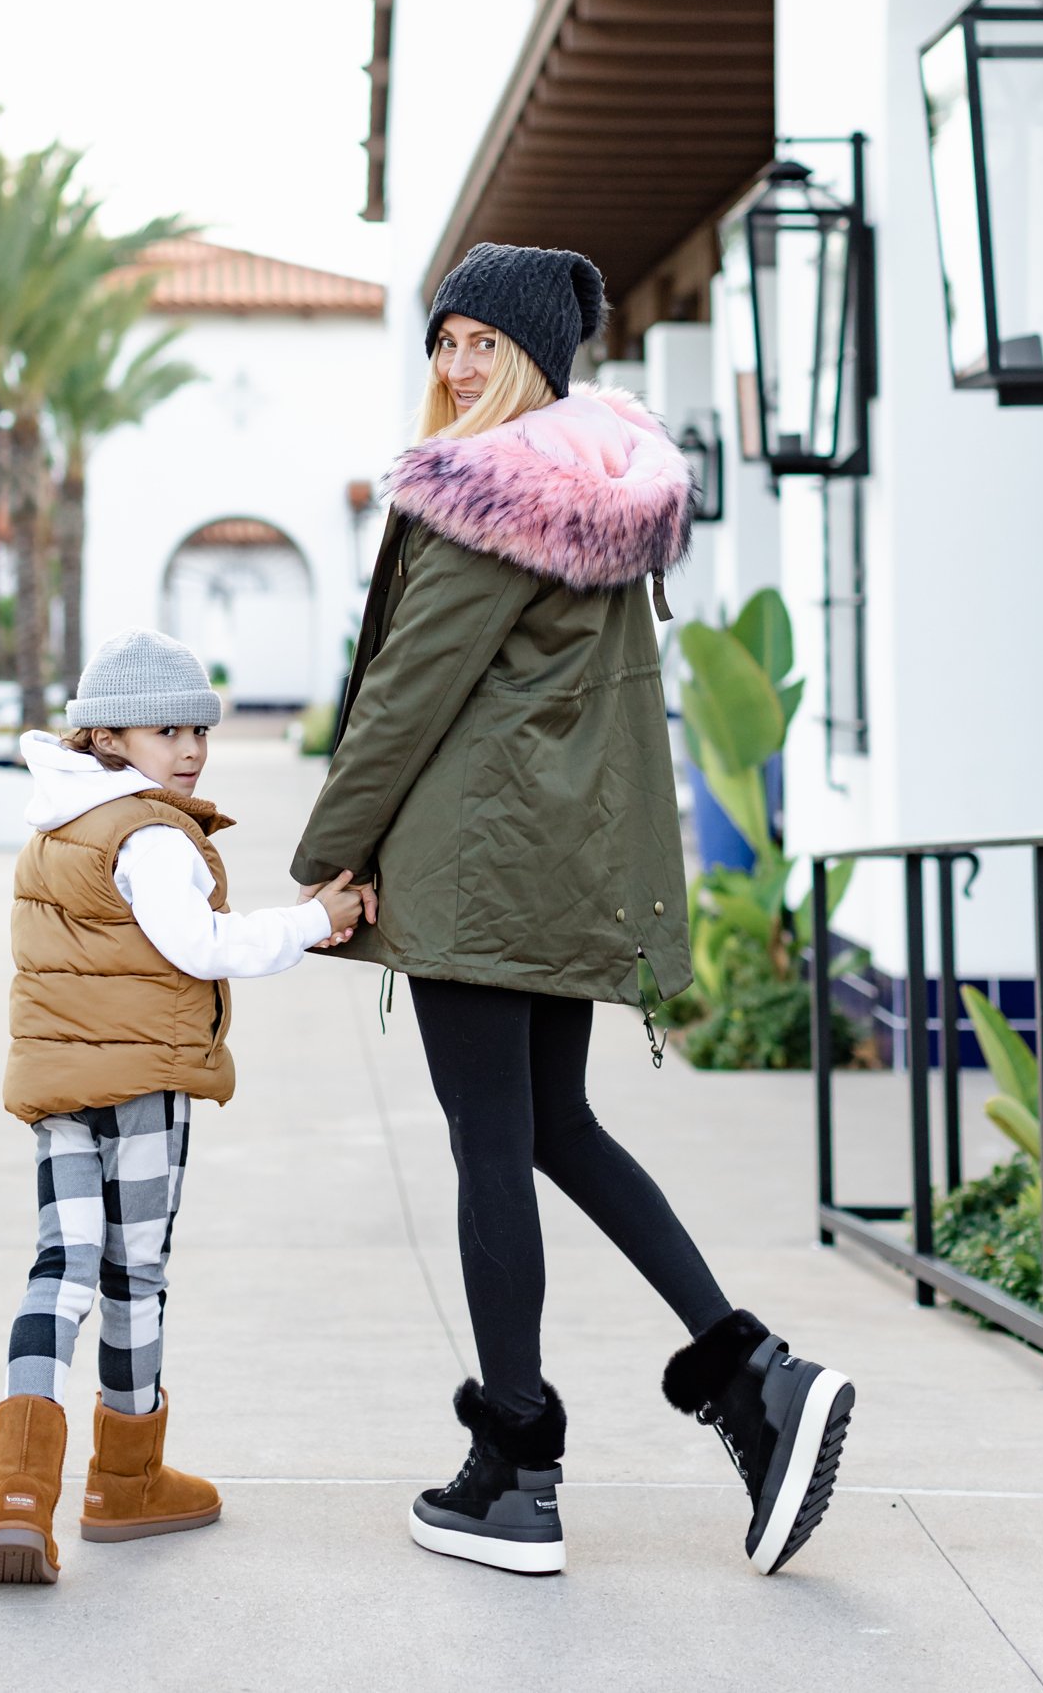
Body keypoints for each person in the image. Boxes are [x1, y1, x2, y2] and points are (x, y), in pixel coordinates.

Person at [291, 242, 855, 1580]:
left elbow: (404, 696)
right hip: (549, 861)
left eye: (482, 342)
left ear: (536, 355)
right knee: (551, 1128)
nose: (453, 366)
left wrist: (328, 854)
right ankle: (749, 1378)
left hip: (474, 864)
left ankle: (515, 1473)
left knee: (493, 1147)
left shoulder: (482, 493)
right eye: (442, 343)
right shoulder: (600, 485)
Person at [0, 628, 362, 1586]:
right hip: (142, 1084)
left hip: (58, 1081)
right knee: (133, 1277)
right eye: (167, 731)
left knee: (58, 1266)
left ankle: (17, 1498)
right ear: (108, 736)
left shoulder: (56, 821)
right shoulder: (149, 832)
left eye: (200, 729)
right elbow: (202, 945)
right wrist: (316, 921)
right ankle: (125, 1481)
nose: (191, 750)